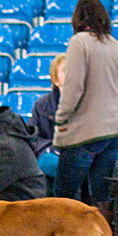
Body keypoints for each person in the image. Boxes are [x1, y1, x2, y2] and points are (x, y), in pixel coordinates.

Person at [52, 0, 118, 218]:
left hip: (86, 132)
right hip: (114, 131)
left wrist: (61, 118)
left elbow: (74, 87)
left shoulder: (79, 43)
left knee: (63, 197)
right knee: (100, 196)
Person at [30, 54, 66, 192]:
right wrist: (49, 149)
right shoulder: (42, 104)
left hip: (78, 153)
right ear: (55, 80)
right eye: (64, 70)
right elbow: (33, 134)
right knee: (47, 162)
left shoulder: (88, 102)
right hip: (50, 152)